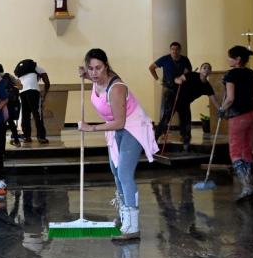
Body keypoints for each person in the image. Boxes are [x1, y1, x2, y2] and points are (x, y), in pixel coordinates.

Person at [78, 48, 159, 241]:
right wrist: (85, 76)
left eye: (98, 68)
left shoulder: (116, 88)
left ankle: (132, 227)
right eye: (90, 68)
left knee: (124, 173)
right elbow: (95, 80)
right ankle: (125, 215)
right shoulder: (96, 79)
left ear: (106, 66)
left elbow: (120, 122)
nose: (94, 73)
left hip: (131, 125)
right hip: (115, 128)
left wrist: (91, 128)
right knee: (115, 171)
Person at [218, 46, 253, 201]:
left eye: (230, 57)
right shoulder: (252, 73)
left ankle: (246, 186)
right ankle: (250, 184)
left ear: (238, 59)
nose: (228, 60)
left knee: (235, 152)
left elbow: (230, 98)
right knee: (247, 150)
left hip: (238, 116)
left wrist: (222, 109)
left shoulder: (231, 74)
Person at [172, 62, 223, 150]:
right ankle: (153, 141)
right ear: (200, 70)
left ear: (210, 72)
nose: (206, 70)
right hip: (174, 99)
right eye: (204, 68)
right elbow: (177, 79)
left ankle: (185, 145)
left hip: (185, 103)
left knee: (187, 123)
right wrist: (178, 80)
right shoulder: (192, 75)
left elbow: (214, 100)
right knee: (164, 121)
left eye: (208, 68)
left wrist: (221, 109)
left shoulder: (207, 86)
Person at [149, 42, 193, 142]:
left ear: (180, 50)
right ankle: (157, 135)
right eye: (173, 49)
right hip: (169, 90)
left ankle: (185, 135)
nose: (175, 51)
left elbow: (189, 72)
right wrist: (157, 80)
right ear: (170, 50)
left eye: (177, 49)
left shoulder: (185, 59)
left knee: (185, 114)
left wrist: (185, 75)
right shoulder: (165, 59)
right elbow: (151, 68)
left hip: (182, 90)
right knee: (167, 114)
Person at [17, 60, 50, 144]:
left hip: (22, 92)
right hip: (32, 90)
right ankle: (41, 137)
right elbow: (47, 82)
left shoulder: (21, 71)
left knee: (25, 114)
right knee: (37, 114)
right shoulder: (38, 68)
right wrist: (44, 94)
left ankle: (26, 136)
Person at [0, 63, 22, 147]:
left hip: (0, 104)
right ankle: (16, 141)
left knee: (1, 126)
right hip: (10, 102)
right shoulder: (8, 76)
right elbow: (20, 87)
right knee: (11, 122)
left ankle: (2, 150)